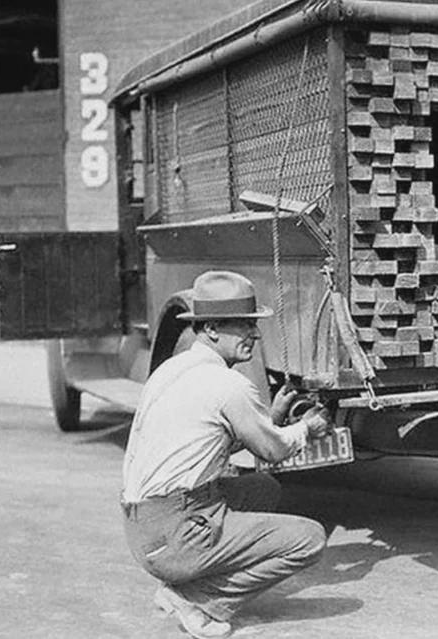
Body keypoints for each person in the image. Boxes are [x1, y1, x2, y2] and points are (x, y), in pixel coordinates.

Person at [121, 270, 332, 639]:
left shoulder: (172, 370)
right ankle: (199, 601)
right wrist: (307, 428)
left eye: (253, 325)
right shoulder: (229, 384)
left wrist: (273, 417)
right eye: (244, 325)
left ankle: (187, 579)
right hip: (176, 531)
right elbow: (273, 450)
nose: (254, 334)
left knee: (262, 489)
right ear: (213, 329)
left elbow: (212, 437)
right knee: (310, 539)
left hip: (143, 526)